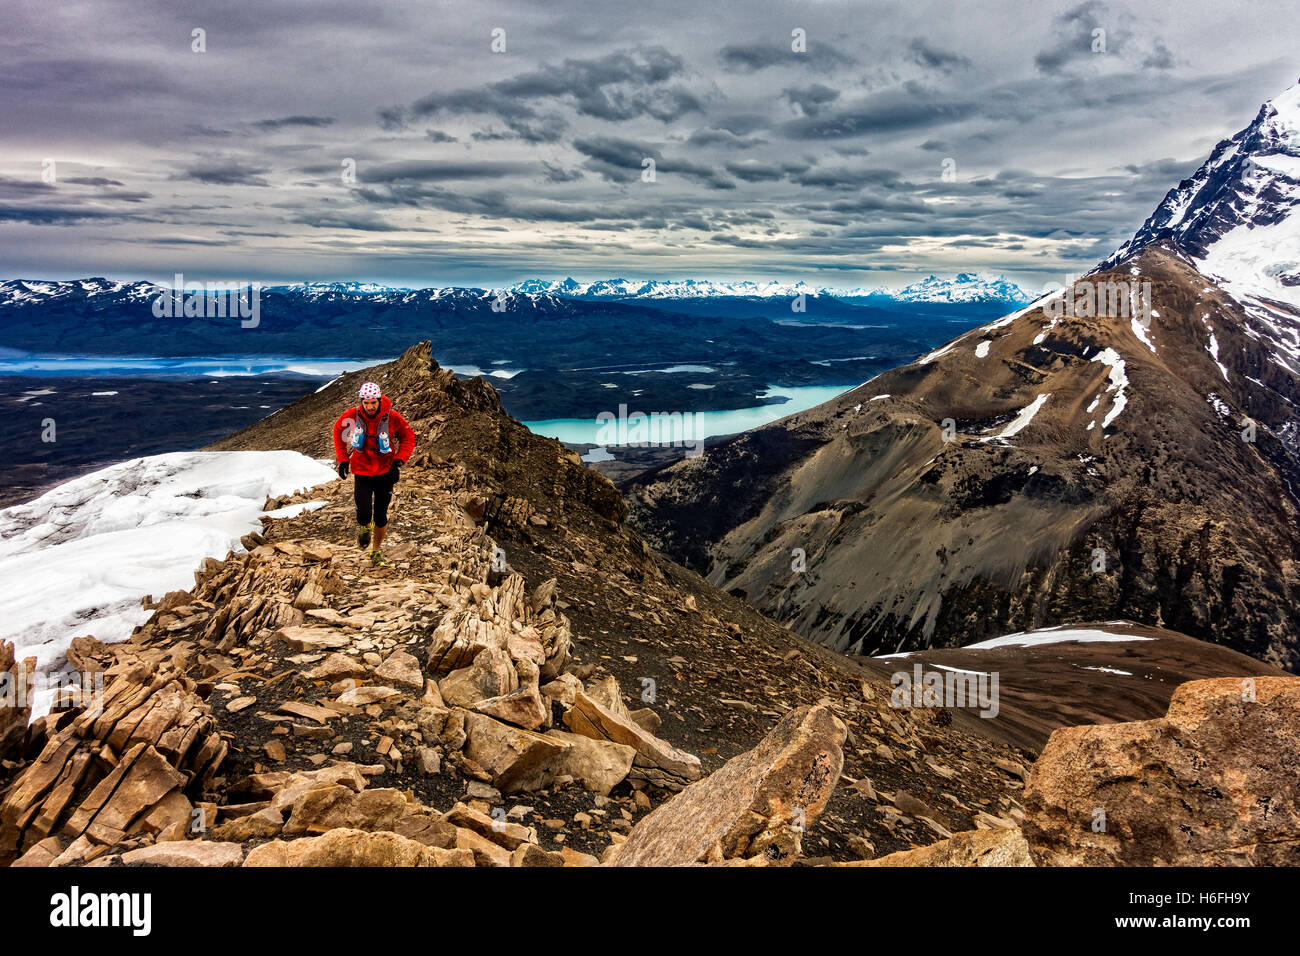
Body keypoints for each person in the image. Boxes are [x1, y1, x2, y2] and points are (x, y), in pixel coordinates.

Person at [332, 382, 415, 566]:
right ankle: (365, 526)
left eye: (373, 403)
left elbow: (408, 437)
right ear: (361, 401)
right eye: (366, 403)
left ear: (379, 401)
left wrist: (399, 461)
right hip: (362, 470)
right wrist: (343, 459)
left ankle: (376, 551)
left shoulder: (392, 417)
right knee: (363, 512)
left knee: (381, 514)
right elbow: (338, 431)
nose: (369, 407)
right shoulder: (352, 416)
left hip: (386, 471)